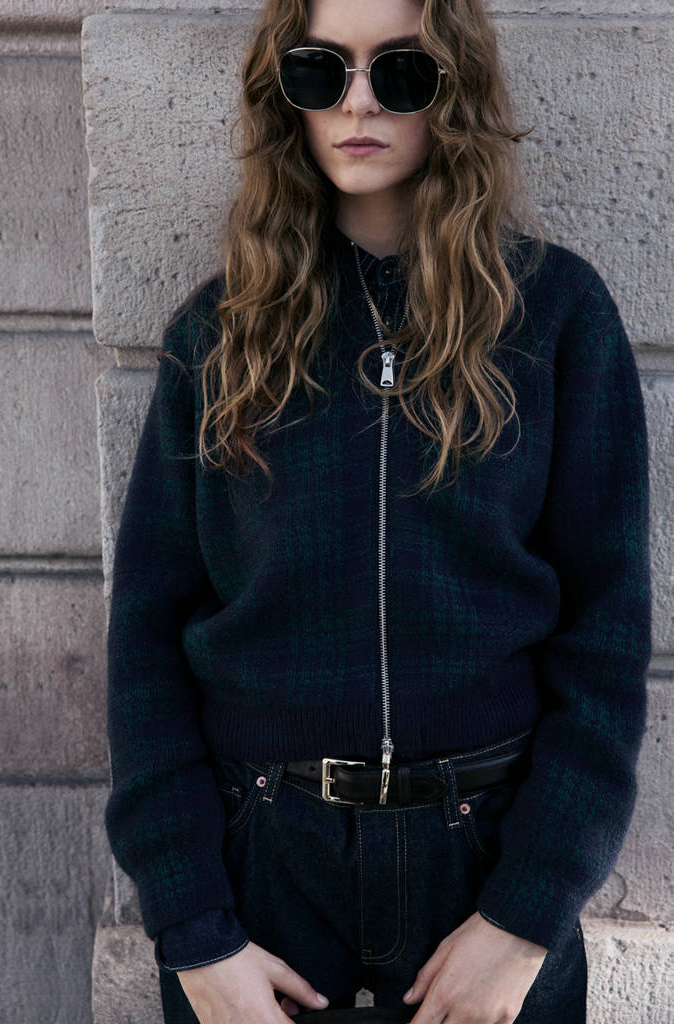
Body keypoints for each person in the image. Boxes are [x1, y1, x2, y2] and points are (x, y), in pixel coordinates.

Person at [103, 0, 652, 1022]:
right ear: (287, 95)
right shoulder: (217, 335)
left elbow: (606, 646)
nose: (357, 102)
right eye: (322, 70)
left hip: (483, 871)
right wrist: (194, 929)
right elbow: (145, 649)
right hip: (265, 875)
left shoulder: (556, 319)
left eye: (400, 71)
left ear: (455, 88)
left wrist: (526, 913)